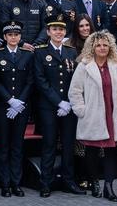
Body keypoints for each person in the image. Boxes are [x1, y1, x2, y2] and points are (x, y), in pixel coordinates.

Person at [68, 31, 117, 202]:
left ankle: (108, 187)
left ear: (110, 47)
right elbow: (74, 92)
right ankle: (94, 182)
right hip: (92, 116)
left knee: (112, 151)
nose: (102, 48)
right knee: (92, 151)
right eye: (98, 45)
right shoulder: (84, 66)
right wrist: (82, 111)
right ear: (92, 47)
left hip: (113, 115)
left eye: (105, 45)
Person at [34, 20, 84, 196]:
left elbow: (76, 80)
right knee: (49, 144)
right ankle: (45, 182)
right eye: (55, 29)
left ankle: (68, 181)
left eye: (61, 29)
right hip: (49, 107)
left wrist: (69, 102)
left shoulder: (71, 51)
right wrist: (58, 102)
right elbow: (40, 80)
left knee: (69, 145)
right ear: (48, 32)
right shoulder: (40, 52)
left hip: (69, 106)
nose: (58, 32)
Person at [0, 22, 34, 197]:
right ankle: (4, 183)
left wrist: (20, 102)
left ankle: (16, 183)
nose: (13, 38)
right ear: (4, 37)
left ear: (20, 36)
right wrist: (10, 100)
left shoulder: (27, 55)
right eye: (10, 35)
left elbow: (30, 80)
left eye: (16, 34)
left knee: (17, 145)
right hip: (3, 106)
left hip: (21, 107)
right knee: (3, 145)